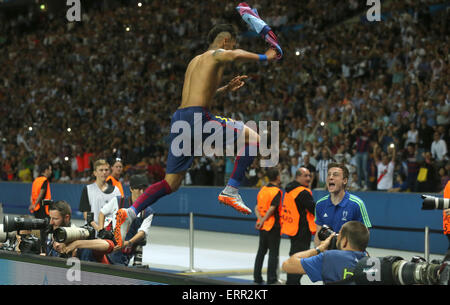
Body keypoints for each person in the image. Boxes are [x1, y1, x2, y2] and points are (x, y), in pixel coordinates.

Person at [113, 24, 278, 247]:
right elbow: (236, 55)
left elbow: (199, 95)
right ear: (225, 41)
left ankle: (131, 212)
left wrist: (225, 89)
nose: (234, 48)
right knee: (256, 139)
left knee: (171, 183)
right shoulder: (218, 53)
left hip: (180, 119)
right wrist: (265, 56)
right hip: (198, 118)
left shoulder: (194, 61)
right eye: (233, 43)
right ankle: (231, 190)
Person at [282, 221, 369, 284]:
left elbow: (287, 265)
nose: (337, 237)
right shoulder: (372, 262)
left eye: (339, 235)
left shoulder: (330, 258)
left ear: (345, 241)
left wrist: (319, 249)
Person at [99, 174, 154, 266]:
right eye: (139, 189)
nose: (142, 192)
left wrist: (128, 243)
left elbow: (142, 232)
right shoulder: (118, 201)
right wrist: (101, 230)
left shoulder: (148, 212)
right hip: (109, 246)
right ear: (131, 189)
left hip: (124, 254)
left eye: (144, 190)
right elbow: (102, 213)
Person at [314, 163, 372, 247]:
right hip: (326, 255)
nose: (330, 177)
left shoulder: (357, 204)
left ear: (344, 181)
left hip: (348, 255)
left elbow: (365, 234)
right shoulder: (320, 204)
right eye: (329, 175)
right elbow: (318, 234)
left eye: (335, 175)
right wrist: (317, 252)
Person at [282, 167, 316, 285]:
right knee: (299, 258)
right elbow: (314, 209)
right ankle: (293, 282)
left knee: (294, 255)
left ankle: (291, 281)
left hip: (293, 228)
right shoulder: (302, 192)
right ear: (298, 177)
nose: (308, 178)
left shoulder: (290, 189)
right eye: (305, 176)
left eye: (309, 176)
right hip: (302, 229)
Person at [253, 168, 282, 284]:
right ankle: (271, 279)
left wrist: (260, 220)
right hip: (273, 226)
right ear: (277, 177)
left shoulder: (262, 190)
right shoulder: (277, 191)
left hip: (262, 226)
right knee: (273, 253)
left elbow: (256, 207)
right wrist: (264, 220)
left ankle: (257, 277)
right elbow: (272, 209)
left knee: (261, 252)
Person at [79, 159, 122, 227]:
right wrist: (99, 228)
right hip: (93, 230)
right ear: (95, 173)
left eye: (106, 170)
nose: (104, 172)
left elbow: (119, 212)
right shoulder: (87, 189)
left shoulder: (116, 190)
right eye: (101, 170)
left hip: (111, 231)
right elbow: (86, 214)